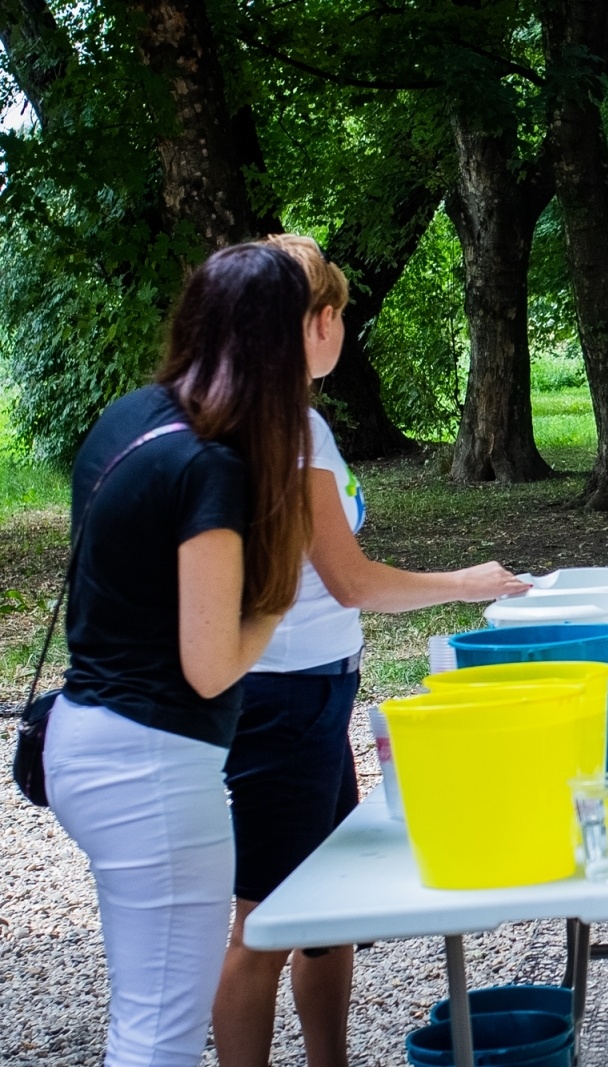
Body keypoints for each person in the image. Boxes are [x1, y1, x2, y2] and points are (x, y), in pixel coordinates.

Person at [211, 235, 528, 1067]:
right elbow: (350, 581)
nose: (343, 328)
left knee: (325, 916)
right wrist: (464, 581)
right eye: (338, 313)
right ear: (311, 323)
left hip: (310, 695)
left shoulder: (278, 417)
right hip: (282, 702)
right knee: (266, 924)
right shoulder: (292, 427)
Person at [42, 243, 314, 1067]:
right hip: (152, 765)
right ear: (279, 343)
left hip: (81, 736)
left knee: (143, 1012)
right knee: (158, 1033)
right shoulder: (210, 467)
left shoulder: (132, 416)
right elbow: (210, 662)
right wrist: (278, 601)